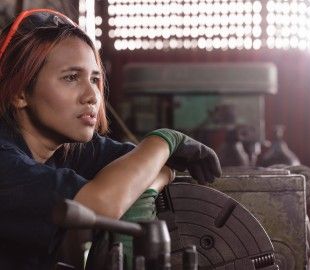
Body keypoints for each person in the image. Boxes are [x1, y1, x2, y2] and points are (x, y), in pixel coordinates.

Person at [0, 8, 222, 270]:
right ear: (20, 93)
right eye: (71, 78)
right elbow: (103, 204)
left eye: (95, 79)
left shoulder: (68, 150)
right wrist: (165, 139)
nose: (92, 96)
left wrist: (144, 193)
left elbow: (149, 165)